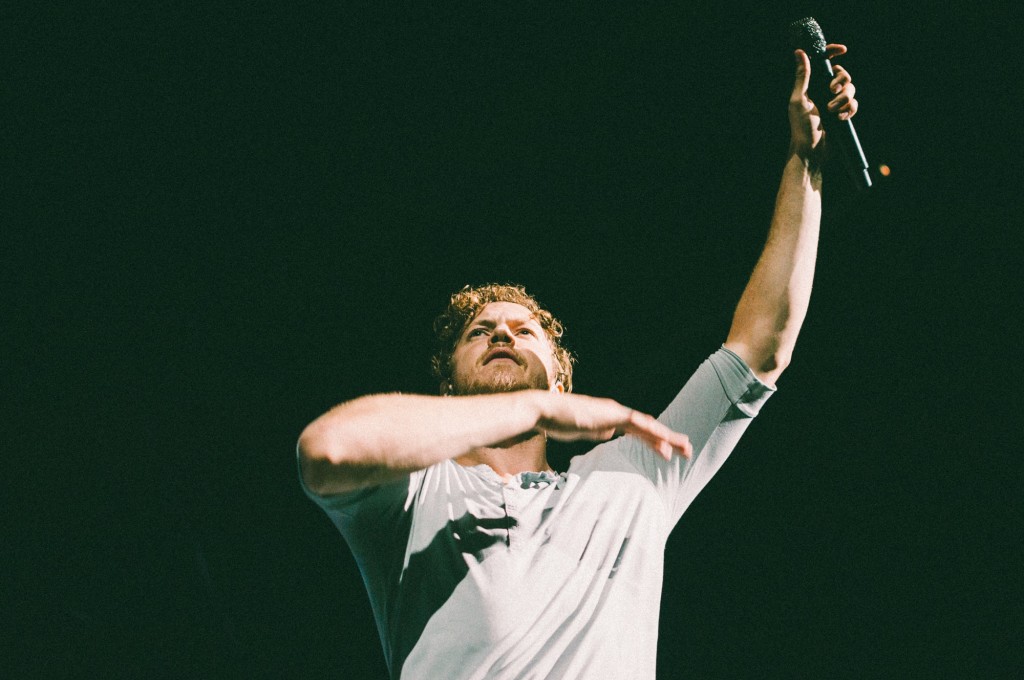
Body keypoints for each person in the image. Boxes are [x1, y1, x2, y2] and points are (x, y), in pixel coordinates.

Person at [298, 45, 859, 679]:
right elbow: (326, 449)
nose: (502, 335)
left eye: (524, 329)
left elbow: (761, 348)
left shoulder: (631, 476)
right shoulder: (414, 494)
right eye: (479, 332)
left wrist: (805, 165)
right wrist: (535, 406)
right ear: (449, 380)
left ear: (563, 372)